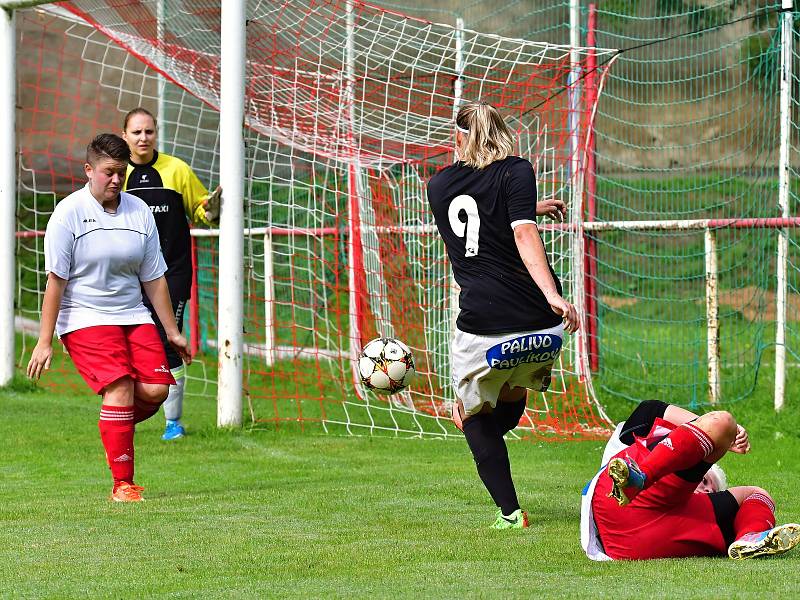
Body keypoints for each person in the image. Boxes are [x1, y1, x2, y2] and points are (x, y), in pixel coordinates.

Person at [427, 100, 579, 529]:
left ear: (459, 137)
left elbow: (490, 220)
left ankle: (510, 513)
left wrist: (527, 211)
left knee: (470, 416)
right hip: (544, 329)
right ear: (501, 132)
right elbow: (516, 226)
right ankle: (499, 417)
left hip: (484, 326)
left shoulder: (438, 188)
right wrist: (553, 295)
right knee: (510, 397)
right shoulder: (518, 171)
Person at [27, 133, 192, 502]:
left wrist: (172, 331)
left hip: (133, 315)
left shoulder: (139, 212)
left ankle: (112, 422)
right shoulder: (68, 214)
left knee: (156, 389)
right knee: (119, 387)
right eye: (109, 172)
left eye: (122, 172)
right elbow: (56, 281)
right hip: (84, 317)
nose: (116, 180)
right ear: (89, 170)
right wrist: (44, 340)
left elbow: (153, 277)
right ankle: (123, 484)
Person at [581, 399, 800, 560]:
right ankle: (643, 476)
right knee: (722, 423)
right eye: (704, 479)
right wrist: (709, 427)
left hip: (635, 545)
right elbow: (650, 409)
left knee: (759, 493)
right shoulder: (634, 447)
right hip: (617, 506)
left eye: (708, 486)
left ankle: (750, 537)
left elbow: (751, 498)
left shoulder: (700, 515)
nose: (702, 486)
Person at [122, 107, 221, 441]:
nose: (143, 138)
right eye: (136, 132)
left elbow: (203, 210)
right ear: (125, 136)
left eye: (148, 131)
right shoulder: (116, 174)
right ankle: (124, 411)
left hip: (172, 273)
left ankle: (173, 423)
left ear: (156, 133)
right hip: (127, 275)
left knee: (167, 340)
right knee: (125, 343)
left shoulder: (177, 170)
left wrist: (212, 208)